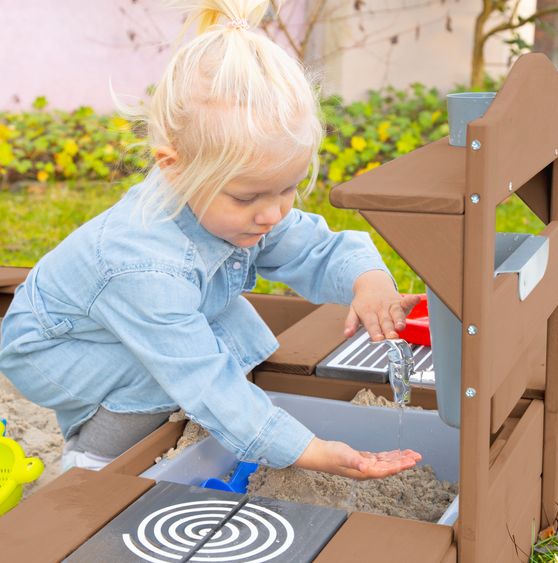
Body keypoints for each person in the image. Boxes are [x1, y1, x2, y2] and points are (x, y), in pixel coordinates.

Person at [0, 0, 421, 477]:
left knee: (226, 333)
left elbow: (317, 248)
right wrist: (305, 449)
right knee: (160, 375)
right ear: (173, 168)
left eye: (288, 188)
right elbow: (202, 380)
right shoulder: (143, 265)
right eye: (248, 197)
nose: (273, 213)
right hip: (55, 348)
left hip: (123, 318)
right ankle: (93, 460)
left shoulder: (240, 204)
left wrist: (368, 280)